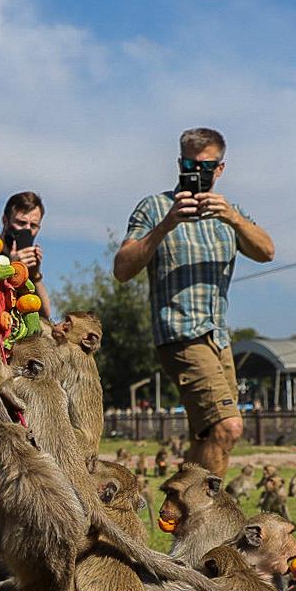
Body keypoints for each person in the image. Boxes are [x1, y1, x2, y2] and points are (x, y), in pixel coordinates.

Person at [113, 128, 276, 475]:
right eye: (190, 164)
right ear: (179, 163)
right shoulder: (155, 207)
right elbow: (122, 269)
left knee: (208, 436)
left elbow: (267, 252)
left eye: (207, 166)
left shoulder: (230, 214)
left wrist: (233, 217)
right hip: (179, 333)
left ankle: (181, 514)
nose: (198, 172)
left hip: (219, 338)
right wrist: (166, 225)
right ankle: (208, 520)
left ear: (220, 169)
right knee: (228, 426)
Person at [0, 191, 50, 317]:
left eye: (33, 225)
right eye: (21, 223)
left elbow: (45, 314)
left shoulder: (31, 265)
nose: (27, 229)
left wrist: (35, 274)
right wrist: (12, 269)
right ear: (5, 221)